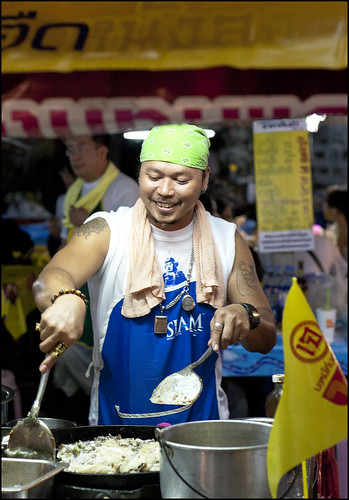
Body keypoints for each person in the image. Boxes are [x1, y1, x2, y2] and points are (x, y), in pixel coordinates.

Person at [32, 124, 276, 426]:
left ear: (204, 180)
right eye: (153, 176)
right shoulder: (108, 231)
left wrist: (245, 314)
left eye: (181, 179)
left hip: (201, 431)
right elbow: (52, 276)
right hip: (114, 433)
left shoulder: (227, 239)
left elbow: (265, 335)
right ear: (139, 175)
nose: (164, 190)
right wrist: (66, 298)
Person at [49, 135, 139, 422]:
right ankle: (82, 413)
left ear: (103, 152)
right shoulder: (73, 190)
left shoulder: (124, 188)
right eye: (70, 149)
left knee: (107, 353)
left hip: (110, 286)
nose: (74, 156)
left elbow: (133, 239)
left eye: (82, 148)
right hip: (77, 282)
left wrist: (84, 221)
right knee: (71, 349)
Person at [323, 185, 347, 260]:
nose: (324, 206)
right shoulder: (335, 227)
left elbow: (339, 257)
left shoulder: (342, 222)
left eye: (326, 202)